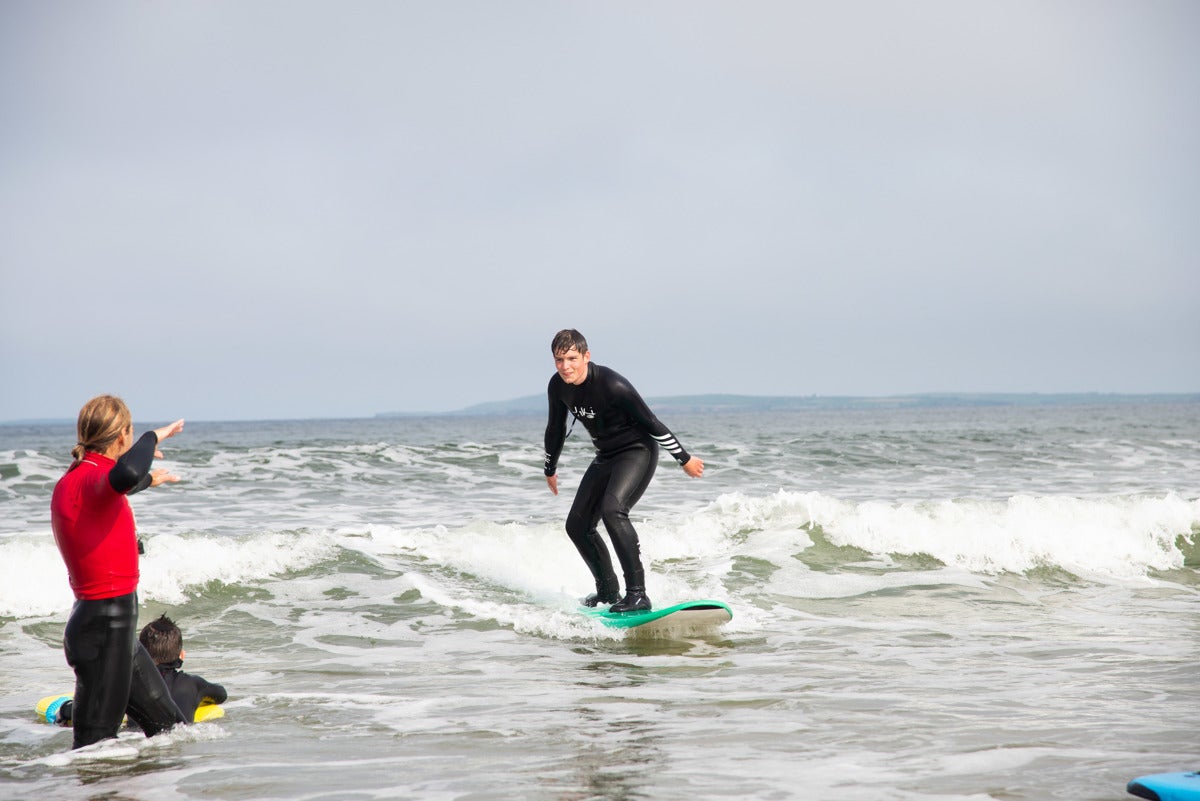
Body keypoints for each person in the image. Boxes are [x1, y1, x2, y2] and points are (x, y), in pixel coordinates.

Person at [50, 394, 189, 748]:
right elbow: (126, 474)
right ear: (124, 434)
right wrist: (152, 437)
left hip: (111, 631)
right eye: (133, 431)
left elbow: (118, 483)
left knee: (172, 731)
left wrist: (149, 480)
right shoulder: (93, 478)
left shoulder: (77, 478)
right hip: (105, 630)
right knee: (95, 751)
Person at [543, 329, 704, 612]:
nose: (565, 366)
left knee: (613, 511)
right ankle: (607, 592)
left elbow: (652, 423)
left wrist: (684, 458)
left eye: (571, 358)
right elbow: (555, 428)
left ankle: (638, 595)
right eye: (559, 360)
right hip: (606, 455)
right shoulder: (558, 386)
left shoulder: (612, 384)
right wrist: (550, 468)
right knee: (577, 526)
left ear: (586, 356)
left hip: (637, 451)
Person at [139, 614, 228, 721]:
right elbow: (221, 695)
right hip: (181, 730)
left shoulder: (132, 685)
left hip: (135, 731)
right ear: (181, 655)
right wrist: (197, 698)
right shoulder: (192, 684)